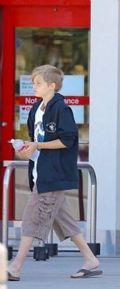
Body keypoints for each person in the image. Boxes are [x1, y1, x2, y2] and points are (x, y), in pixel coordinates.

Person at [7, 65, 102, 281]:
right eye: (33, 83)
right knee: (66, 221)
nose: (34, 87)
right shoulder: (35, 110)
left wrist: (37, 147)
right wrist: (26, 150)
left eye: (38, 83)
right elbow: (37, 142)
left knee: (31, 218)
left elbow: (67, 140)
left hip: (53, 175)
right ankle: (90, 259)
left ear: (52, 85)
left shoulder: (61, 109)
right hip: (41, 173)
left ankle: (15, 267)